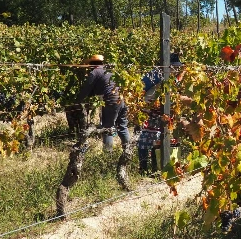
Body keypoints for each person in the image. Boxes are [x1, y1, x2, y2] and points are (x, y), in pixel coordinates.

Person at [73, 54, 131, 188]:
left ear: (91, 64)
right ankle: (128, 152)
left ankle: (108, 158)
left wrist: (77, 102)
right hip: (122, 99)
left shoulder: (95, 72)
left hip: (111, 100)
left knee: (108, 128)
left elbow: (86, 89)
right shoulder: (108, 70)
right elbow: (98, 88)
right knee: (122, 126)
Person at [137, 53, 183, 175]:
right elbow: (141, 88)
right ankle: (143, 168)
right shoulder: (155, 75)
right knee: (145, 140)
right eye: (175, 67)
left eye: (178, 67)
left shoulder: (172, 78)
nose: (177, 69)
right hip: (150, 111)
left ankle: (156, 168)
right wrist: (143, 106)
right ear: (168, 66)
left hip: (163, 113)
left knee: (159, 140)